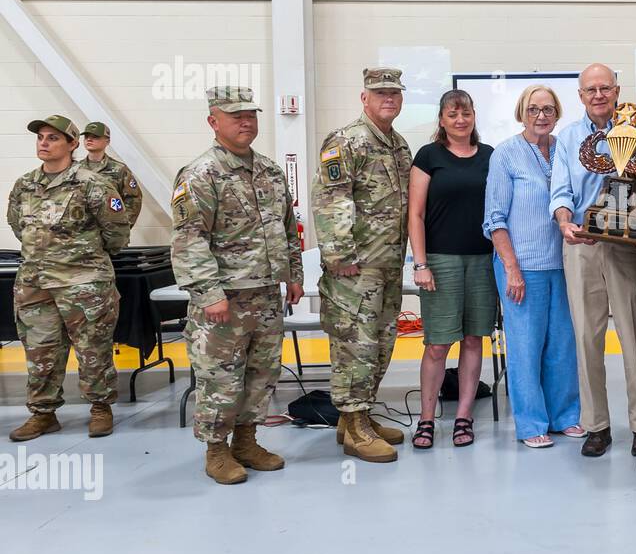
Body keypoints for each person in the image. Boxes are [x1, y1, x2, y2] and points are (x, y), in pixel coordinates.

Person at [172, 88, 303, 484]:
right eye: (235, 116)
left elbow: (287, 228)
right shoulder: (201, 174)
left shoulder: (269, 170)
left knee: (261, 374)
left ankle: (246, 441)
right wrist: (209, 293)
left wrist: (293, 275)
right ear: (213, 122)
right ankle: (216, 450)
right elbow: (189, 239)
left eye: (250, 115)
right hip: (223, 299)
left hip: (265, 294)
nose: (246, 122)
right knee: (220, 377)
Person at [549, 63, 636, 458]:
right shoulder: (568, 139)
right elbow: (559, 190)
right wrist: (564, 221)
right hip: (581, 244)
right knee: (586, 338)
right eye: (590, 89)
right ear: (580, 96)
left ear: (616, 91)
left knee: (633, 335)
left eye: (604, 88)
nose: (598, 95)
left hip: (626, 247)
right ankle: (597, 425)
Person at [7, 115, 130, 442]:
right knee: (40, 350)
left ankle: (101, 408)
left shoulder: (92, 183)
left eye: (53, 138)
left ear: (72, 144)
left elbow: (117, 231)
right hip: (35, 283)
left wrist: (82, 257)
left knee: (93, 349)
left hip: (84, 283)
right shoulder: (25, 184)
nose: (44, 143)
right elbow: (18, 225)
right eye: (41, 137)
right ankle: (43, 414)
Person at [313, 68, 413, 463]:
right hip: (355, 268)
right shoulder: (346, 141)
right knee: (356, 345)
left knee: (381, 343)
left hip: (387, 263)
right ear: (364, 97)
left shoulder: (397, 144)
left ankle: (358, 418)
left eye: (394, 92)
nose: (389, 98)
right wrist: (340, 257)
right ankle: (355, 427)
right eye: (380, 92)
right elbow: (332, 199)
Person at [484, 85, 583, 447]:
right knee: (526, 346)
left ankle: (565, 416)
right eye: (533, 109)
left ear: (557, 113)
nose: (541, 116)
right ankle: (531, 424)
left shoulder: (565, 149)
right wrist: (511, 268)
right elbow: (494, 218)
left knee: (562, 345)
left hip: (564, 263)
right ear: (521, 113)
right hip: (521, 266)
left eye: (548, 109)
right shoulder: (506, 155)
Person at [408, 89, 495, 449]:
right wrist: (421, 263)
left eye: (466, 113)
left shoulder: (490, 156)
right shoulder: (429, 156)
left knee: (474, 340)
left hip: (482, 261)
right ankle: (427, 419)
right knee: (438, 344)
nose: (460, 120)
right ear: (441, 120)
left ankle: (463, 416)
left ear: (474, 116)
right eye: (453, 115)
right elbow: (415, 214)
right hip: (440, 262)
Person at [80, 122, 143, 229]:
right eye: (87, 137)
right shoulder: (76, 169)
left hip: (110, 234)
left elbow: (134, 199)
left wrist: (122, 227)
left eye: (95, 137)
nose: (89, 140)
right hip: (81, 236)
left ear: (107, 141)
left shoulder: (119, 169)